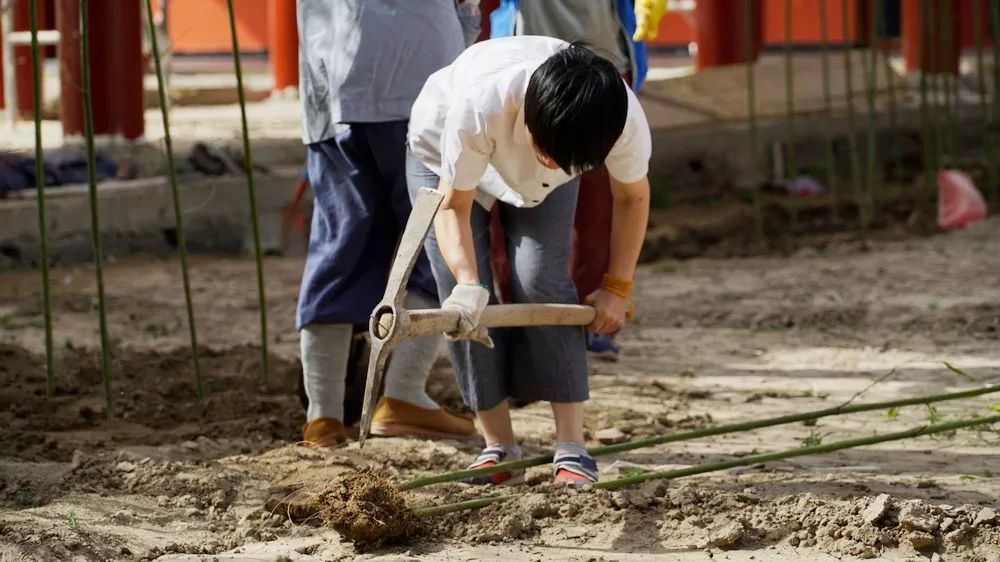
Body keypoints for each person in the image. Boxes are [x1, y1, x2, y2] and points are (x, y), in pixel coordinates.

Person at [406, 37, 651, 485]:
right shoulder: (479, 104)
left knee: (539, 275)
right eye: (544, 151)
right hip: (447, 159)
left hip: (550, 160)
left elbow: (633, 196)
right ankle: (498, 445)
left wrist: (617, 286)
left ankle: (572, 446)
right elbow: (452, 207)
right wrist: (467, 285)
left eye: (565, 161)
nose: (549, 162)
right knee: (462, 301)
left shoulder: (618, 117)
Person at [295, 0, 481, 447]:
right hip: (422, 74)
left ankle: (322, 415)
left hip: (331, 81)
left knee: (339, 247)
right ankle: (402, 394)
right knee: (432, 239)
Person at [480, 0, 666, 362]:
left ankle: (590, 321)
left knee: (596, 211)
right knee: (510, 212)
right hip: (527, 72)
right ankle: (516, 327)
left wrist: (617, 288)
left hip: (601, 67)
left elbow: (632, 196)